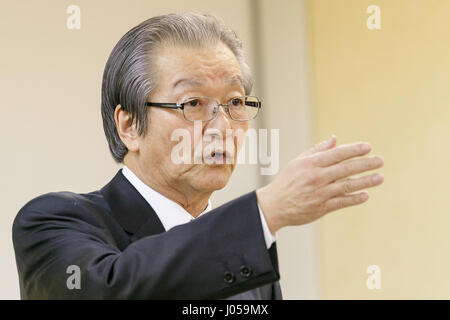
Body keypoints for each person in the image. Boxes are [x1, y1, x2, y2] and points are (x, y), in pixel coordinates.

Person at [12, 13, 384, 299]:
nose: (221, 125)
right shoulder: (52, 222)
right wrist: (263, 212)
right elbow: (111, 289)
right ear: (129, 126)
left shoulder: (247, 254)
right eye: (193, 103)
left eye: (235, 102)